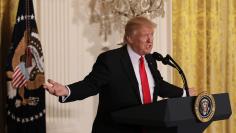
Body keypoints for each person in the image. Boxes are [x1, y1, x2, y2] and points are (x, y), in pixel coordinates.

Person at [44, 16, 196, 133]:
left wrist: (183, 93)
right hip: (115, 129)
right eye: (145, 36)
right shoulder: (111, 59)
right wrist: (67, 90)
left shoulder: (150, 59)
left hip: (148, 128)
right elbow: (91, 85)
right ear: (129, 38)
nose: (150, 40)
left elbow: (159, 85)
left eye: (152, 35)